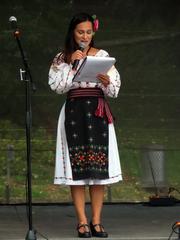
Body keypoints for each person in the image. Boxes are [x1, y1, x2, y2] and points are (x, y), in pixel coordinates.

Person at [48, 12, 122, 238]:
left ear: (93, 33)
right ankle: (81, 222)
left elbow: (115, 90)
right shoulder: (63, 58)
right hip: (74, 113)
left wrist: (107, 82)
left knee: (98, 172)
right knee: (77, 171)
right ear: (73, 32)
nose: (85, 36)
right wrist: (73, 65)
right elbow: (57, 87)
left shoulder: (102, 56)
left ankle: (96, 221)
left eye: (89, 32)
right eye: (81, 31)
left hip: (97, 112)